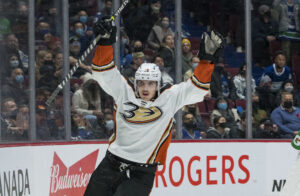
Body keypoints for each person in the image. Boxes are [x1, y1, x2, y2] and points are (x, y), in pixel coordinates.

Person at [84, 16, 222, 195]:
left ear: (157, 84)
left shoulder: (169, 97)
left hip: (142, 172)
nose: (145, 88)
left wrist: (206, 61)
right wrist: (105, 42)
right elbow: (103, 72)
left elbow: (197, 90)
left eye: (150, 83)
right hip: (111, 163)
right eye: (141, 83)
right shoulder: (124, 92)